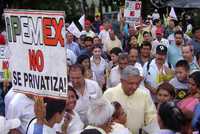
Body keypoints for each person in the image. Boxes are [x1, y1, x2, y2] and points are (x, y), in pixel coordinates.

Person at [104, 65, 159, 133]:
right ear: (122, 81)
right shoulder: (109, 94)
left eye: (137, 83)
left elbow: (151, 118)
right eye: (131, 83)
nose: (134, 87)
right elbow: (102, 118)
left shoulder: (144, 95)